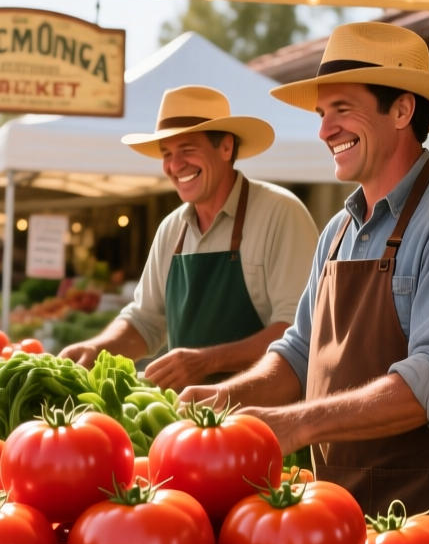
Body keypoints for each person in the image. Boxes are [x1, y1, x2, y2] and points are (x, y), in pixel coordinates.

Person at [179, 23, 429, 544]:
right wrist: (227, 400)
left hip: (427, 517)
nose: (324, 130)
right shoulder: (338, 229)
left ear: (403, 110)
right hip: (333, 508)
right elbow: (297, 354)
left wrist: (295, 425)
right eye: (320, 115)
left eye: (341, 109)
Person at [60, 86, 318, 391]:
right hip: (186, 424)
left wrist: (207, 361)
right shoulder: (171, 229)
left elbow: (299, 332)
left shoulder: (281, 213)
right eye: (167, 154)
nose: (174, 165)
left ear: (225, 147)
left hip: (264, 422)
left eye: (187, 149)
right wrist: (98, 349)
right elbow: (145, 322)